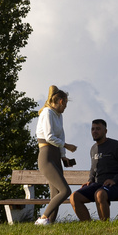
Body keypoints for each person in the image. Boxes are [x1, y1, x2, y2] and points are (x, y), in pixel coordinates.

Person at [70, 118, 118, 222]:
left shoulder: (115, 145)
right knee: (74, 197)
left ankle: (104, 227)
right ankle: (89, 227)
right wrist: (90, 180)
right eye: (92, 129)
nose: (94, 131)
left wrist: (115, 180)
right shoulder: (93, 148)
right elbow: (93, 168)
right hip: (97, 185)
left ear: (105, 131)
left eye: (98, 129)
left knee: (100, 194)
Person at [33, 86, 76, 226]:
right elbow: (50, 137)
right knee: (65, 190)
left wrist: (63, 156)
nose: (65, 108)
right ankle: (42, 218)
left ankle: (50, 223)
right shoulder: (47, 113)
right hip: (46, 156)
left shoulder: (59, 115)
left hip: (56, 156)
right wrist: (67, 146)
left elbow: (61, 135)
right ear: (61, 101)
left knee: (55, 192)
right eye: (66, 105)